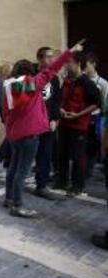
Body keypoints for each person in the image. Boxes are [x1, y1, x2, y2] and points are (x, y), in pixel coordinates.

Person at [3, 41, 84, 218]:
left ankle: (9, 198)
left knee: (14, 168)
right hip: (29, 135)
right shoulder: (32, 85)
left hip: (14, 135)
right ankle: (17, 205)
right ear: (29, 73)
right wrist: (69, 52)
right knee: (22, 171)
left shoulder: (9, 88)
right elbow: (51, 70)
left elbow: (5, 115)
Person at [55, 52, 99, 197]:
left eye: (70, 62)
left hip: (79, 126)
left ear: (78, 64)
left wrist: (78, 115)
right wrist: (61, 108)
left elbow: (95, 104)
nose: (67, 65)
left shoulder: (87, 83)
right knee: (61, 154)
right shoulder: (67, 80)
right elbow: (61, 99)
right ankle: (61, 181)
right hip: (64, 124)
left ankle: (77, 186)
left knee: (78, 157)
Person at [33, 47, 62, 200]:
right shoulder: (31, 75)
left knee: (45, 154)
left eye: (53, 57)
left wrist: (55, 119)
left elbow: (57, 101)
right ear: (39, 58)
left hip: (47, 122)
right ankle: (13, 185)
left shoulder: (54, 78)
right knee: (25, 153)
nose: (52, 60)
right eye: (48, 57)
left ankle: (42, 185)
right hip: (32, 122)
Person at [84, 53, 108, 177]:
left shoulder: (102, 83)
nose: (84, 67)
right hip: (81, 116)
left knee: (94, 143)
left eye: (86, 65)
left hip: (95, 116)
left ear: (93, 64)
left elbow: (104, 103)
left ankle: (91, 168)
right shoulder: (82, 80)